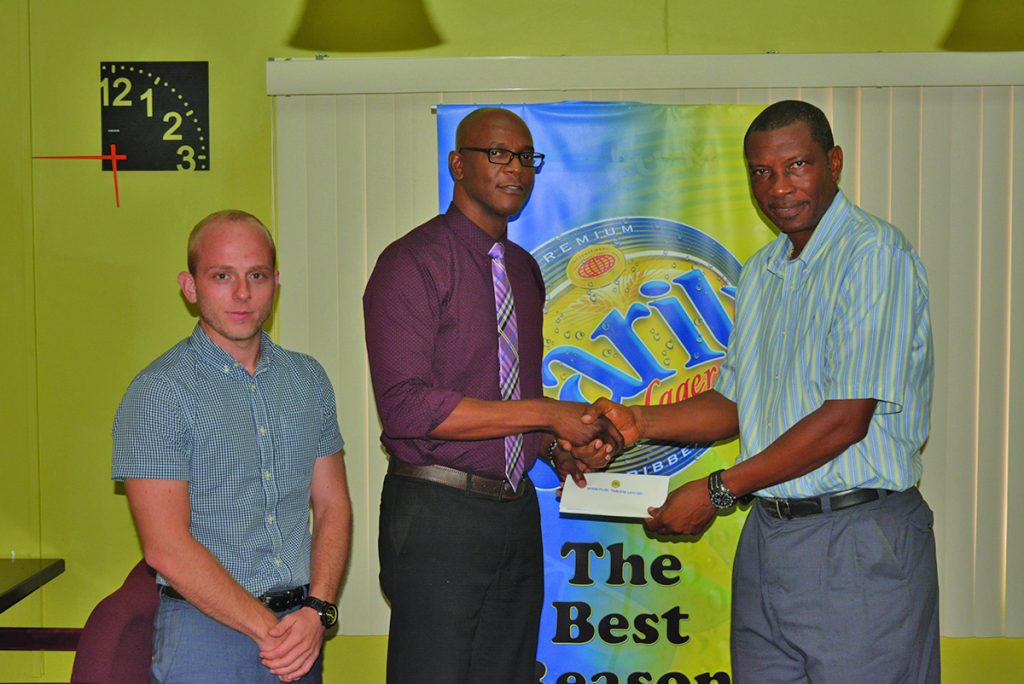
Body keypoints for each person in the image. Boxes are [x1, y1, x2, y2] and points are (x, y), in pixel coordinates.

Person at [579, 100, 939, 682]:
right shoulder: (762, 271)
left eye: (796, 165)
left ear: (834, 163)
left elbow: (846, 419)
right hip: (770, 538)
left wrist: (720, 489)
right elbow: (734, 405)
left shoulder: (873, 255)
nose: (778, 188)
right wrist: (637, 423)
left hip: (856, 543)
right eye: (761, 172)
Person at [363, 107, 617, 683]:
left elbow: (508, 398)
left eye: (527, 158)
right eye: (499, 154)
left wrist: (558, 449)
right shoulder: (411, 262)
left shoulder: (525, 271)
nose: (517, 169)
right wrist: (551, 414)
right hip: (437, 514)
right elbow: (406, 407)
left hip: (516, 511)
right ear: (458, 164)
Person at [112, 210, 352, 683]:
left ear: (275, 283)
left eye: (256, 275)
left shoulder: (308, 380)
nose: (243, 293)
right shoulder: (158, 392)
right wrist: (272, 631)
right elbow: (164, 547)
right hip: (205, 636)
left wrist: (318, 613)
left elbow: (332, 506)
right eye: (222, 276)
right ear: (190, 286)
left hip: (301, 629)